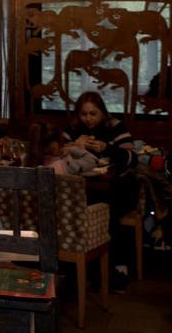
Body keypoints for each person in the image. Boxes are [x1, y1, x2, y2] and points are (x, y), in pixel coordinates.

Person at [62, 91, 138, 293]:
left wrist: (107, 147)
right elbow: (56, 152)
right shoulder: (73, 129)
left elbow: (133, 158)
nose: (88, 119)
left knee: (110, 212)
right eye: (83, 114)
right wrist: (74, 146)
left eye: (93, 113)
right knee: (73, 209)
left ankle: (118, 269)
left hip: (119, 186)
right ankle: (82, 270)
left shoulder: (115, 127)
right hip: (84, 187)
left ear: (102, 112)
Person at [26, 122, 99, 175]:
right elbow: (94, 161)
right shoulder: (66, 164)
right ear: (55, 146)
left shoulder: (26, 163)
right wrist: (72, 149)